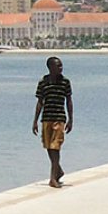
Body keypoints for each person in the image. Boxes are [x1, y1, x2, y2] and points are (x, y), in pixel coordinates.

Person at [33, 57, 74, 188]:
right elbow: (40, 102)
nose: (61, 68)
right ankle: (58, 170)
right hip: (46, 118)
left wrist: (71, 119)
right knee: (49, 147)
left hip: (59, 118)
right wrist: (35, 121)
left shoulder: (65, 82)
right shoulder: (43, 82)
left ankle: (52, 178)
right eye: (58, 66)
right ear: (50, 67)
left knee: (56, 147)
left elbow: (69, 101)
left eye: (61, 66)